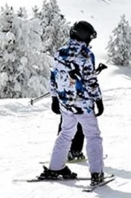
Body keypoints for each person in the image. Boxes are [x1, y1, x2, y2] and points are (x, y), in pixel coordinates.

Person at [40, 21, 106, 186]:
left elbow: (53, 76)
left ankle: (55, 167)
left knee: (66, 133)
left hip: (65, 103)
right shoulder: (85, 55)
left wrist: (54, 98)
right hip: (82, 104)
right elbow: (90, 80)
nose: (90, 41)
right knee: (93, 135)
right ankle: (96, 173)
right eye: (90, 37)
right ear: (84, 36)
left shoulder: (59, 52)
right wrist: (98, 99)